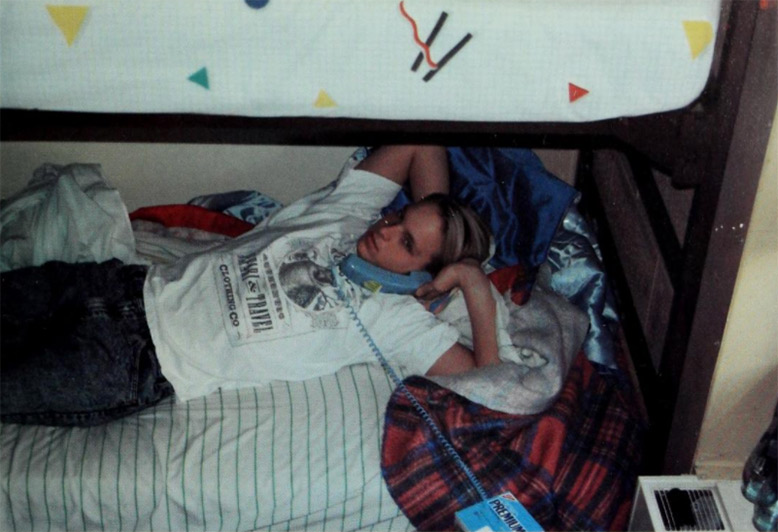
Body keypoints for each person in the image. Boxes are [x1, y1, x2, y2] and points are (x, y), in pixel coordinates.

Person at [0, 145, 499, 426]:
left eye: (406, 244)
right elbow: (421, 144)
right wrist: (439, 221)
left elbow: (490, 383)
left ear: (422, 275)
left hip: (132, 362)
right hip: (117, 284)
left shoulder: (398, 322)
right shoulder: (349, 216)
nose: (386, 230)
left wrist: (469, 280)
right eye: (399, 219)